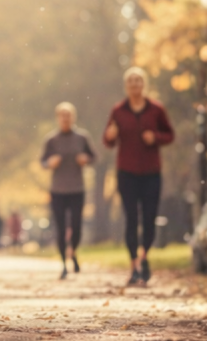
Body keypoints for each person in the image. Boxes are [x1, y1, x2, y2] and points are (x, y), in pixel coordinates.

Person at [103, 67, 175, 285]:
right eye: (131, 81)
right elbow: (108, 141)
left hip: (151, 172)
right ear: (126, 86)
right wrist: (111, 135)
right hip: (126, 173)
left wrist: (155, 137)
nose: (135, 84)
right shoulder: (118, 110)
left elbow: (170, 135)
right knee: (131, 219)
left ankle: (144, 258)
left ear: (144, 85)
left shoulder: (156, 109)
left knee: (149, 218)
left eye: (138, 81)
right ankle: (134, 265)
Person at [40, 101, 95, 279]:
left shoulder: (82, 138)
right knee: (61, 228)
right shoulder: (51, 140)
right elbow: (42, 162)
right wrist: (50, 163)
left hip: (77, 189)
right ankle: (64, 263)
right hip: (57, 191)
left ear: (73, 117)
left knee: (77, 227)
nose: (65, 118)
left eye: (68, 115)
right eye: (62, 115)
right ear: (58, 118)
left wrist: (85, 159)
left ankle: (74, 251)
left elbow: (94, 157)